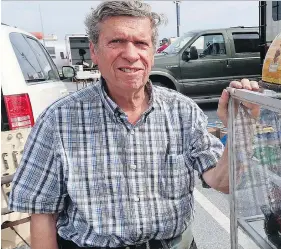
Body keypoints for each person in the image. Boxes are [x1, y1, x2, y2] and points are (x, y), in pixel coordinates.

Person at [7, 1, 260, 248]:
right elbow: (42, 212)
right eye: (116, 42)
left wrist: (240, 130)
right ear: (94, 51)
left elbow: (222, 182)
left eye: (141, 43)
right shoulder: (58, 120)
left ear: (152, 52)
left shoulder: (182, 111)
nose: (130, 54)